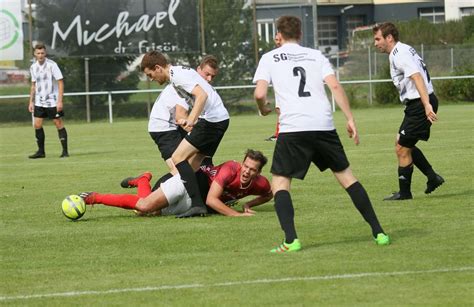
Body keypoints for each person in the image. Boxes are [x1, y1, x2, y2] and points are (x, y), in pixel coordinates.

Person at [253, 15, 390, 253]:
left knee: (281, 183)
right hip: (323, 125)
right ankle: (379, 232)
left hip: (293, 128)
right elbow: (335, 86)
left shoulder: (269, 57)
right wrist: (350, 118)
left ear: (279, 34)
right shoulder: (315, 56)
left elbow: (259, 94)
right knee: (348, 178)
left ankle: (291, 240)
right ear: (300, 34)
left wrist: (263, 109)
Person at [142, 53, 228, 218]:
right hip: (221, 120)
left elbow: (201, 95)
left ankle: (196, 204)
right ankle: (205, 201)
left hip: (211, 121)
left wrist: (190, 120)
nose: (151, 79)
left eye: (150, 74)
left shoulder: (177, 75)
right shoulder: (178, 74)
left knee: (178, 158)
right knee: (193, 167)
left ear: (158, 68)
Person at [79, 150, 272, 217]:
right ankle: (94, 198)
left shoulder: (260, 183)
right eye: (245, 166)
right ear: (241, 163)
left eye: (252, 169)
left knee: (145, 213)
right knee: (144, 205)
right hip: (187, 183)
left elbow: (269, 194)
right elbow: (213, 200)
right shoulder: (231, 169)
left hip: (193, 201)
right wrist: (237, 215)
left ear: (258, 172)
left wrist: (248, 204)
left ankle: (142, 180)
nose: (247, 171)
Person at [373, 22, 445, 201]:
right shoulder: (402, 50)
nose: (375, 43)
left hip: (420, 104)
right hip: (417, 104)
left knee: (401, 148)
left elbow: (417, 77)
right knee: (403, 143)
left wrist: (426, 105)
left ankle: (405, 193)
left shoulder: (400, 54)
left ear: (389, 37)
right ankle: (432, 177)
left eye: (378, 39)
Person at [148, 55, 220, 171]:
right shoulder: (187, 84)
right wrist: (202, 133)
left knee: (200, 163)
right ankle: (143, 183)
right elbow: (180, 116)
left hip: (176, 126)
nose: (209, 79)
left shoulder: (192, 81)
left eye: (213, 76)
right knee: (180, 171)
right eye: (207, 74)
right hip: (164, 128)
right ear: (198, 70)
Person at [28, 43, 69, 159]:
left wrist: (60, 101)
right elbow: (33, 85)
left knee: (58, 123)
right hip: (39, 101)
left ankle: (65, 151)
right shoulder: (33, 67)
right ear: (35, 54)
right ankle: (41, 152)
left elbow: (60, 82)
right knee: (37, 124)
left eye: (42, 53)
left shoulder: (52, 65)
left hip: (52, 101)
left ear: (45, 53)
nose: (40, 55)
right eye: (38, 53)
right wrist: (31, 101)